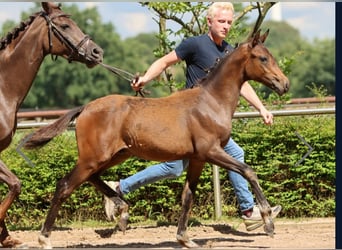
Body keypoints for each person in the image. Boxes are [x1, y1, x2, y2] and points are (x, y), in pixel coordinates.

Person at [105, 2, 281, 231]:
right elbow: (165, 61)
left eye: (229, 22)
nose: (226, 26)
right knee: (181, 166)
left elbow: (242, 85)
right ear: (210, 21)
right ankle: (248, 211)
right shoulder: (195, 44)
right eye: (221, 21)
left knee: (191, 164)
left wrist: (261, 108)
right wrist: (145, 79)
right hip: (187, 120)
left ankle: (120, 188)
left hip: (209, 124)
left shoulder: (229, 51)